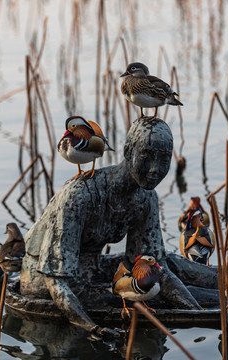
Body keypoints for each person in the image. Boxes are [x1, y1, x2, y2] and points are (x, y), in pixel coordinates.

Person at [20, 117, 200, 338]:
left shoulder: (145, 197)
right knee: (148, 296)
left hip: (89, 268)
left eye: (164, 159)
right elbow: (56, 282)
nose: (155, 169)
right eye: (146, 156)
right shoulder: (79, 196)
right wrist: (93, 328)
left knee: (170, 264)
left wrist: (200, 313)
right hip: (46, 281)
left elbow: (157, 267)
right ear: (128, 150)